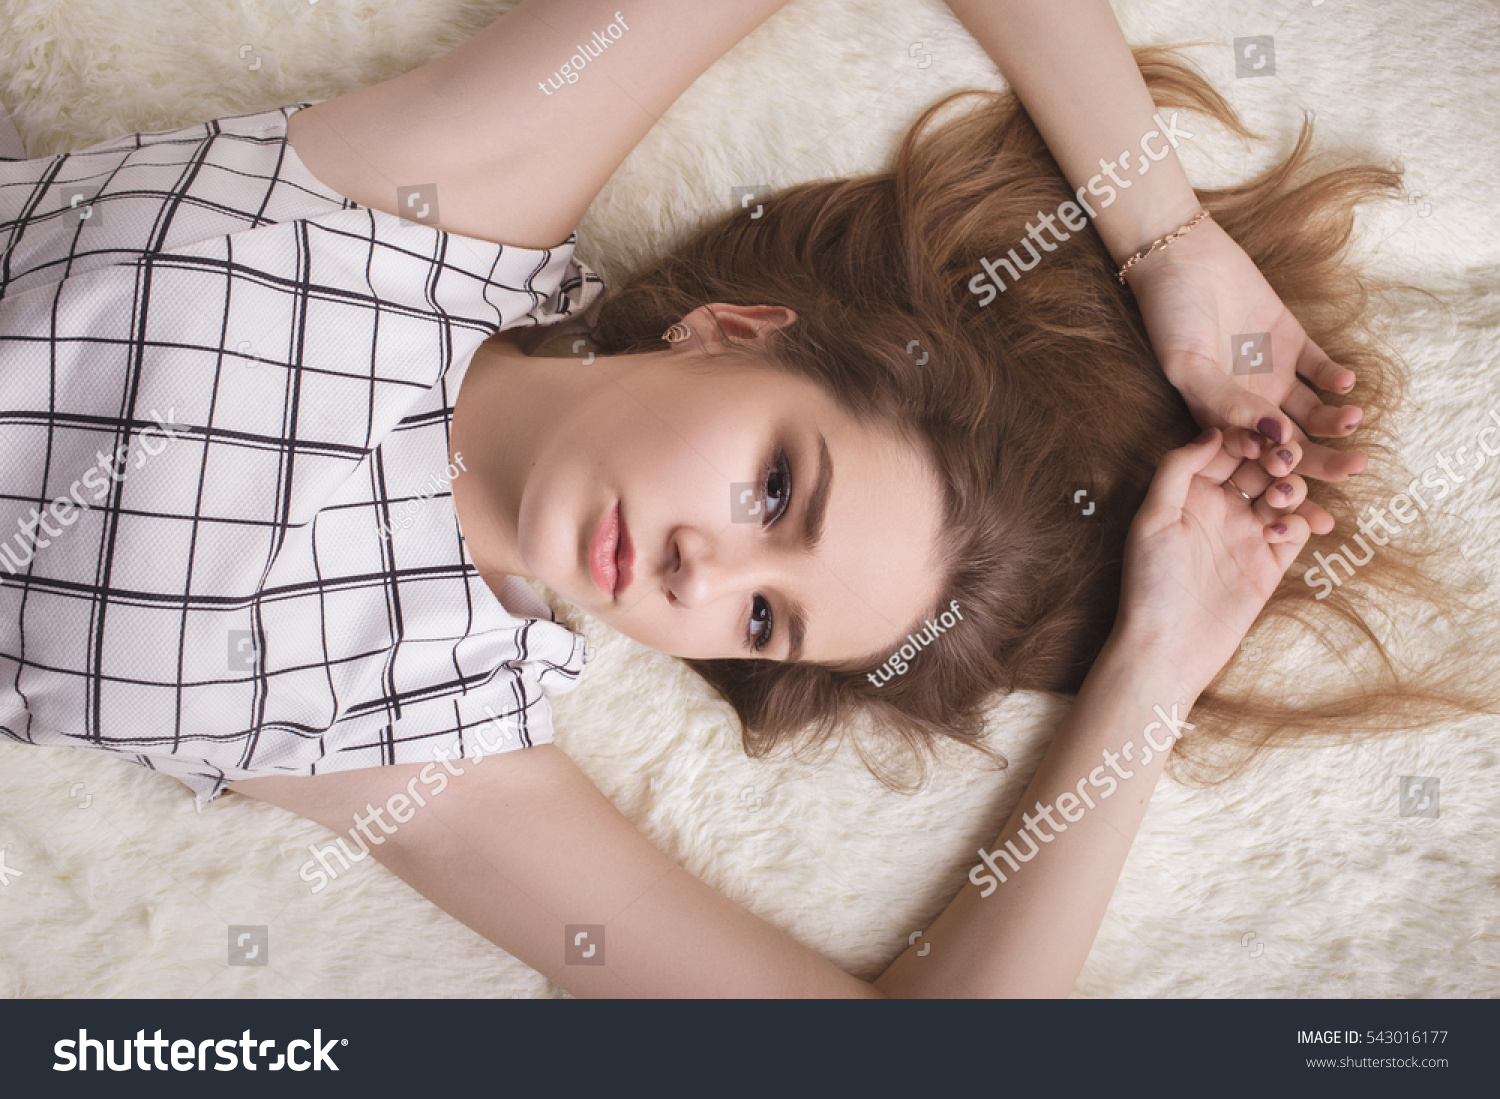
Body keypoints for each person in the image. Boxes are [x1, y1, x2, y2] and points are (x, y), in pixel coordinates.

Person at [0, 1, 1485, 996]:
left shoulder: (432, 740)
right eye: (779, 484)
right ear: (735, 331)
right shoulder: (433, 201)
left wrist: (1158, 662)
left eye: (764, 619)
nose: (704, 571)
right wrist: (1166, 237)